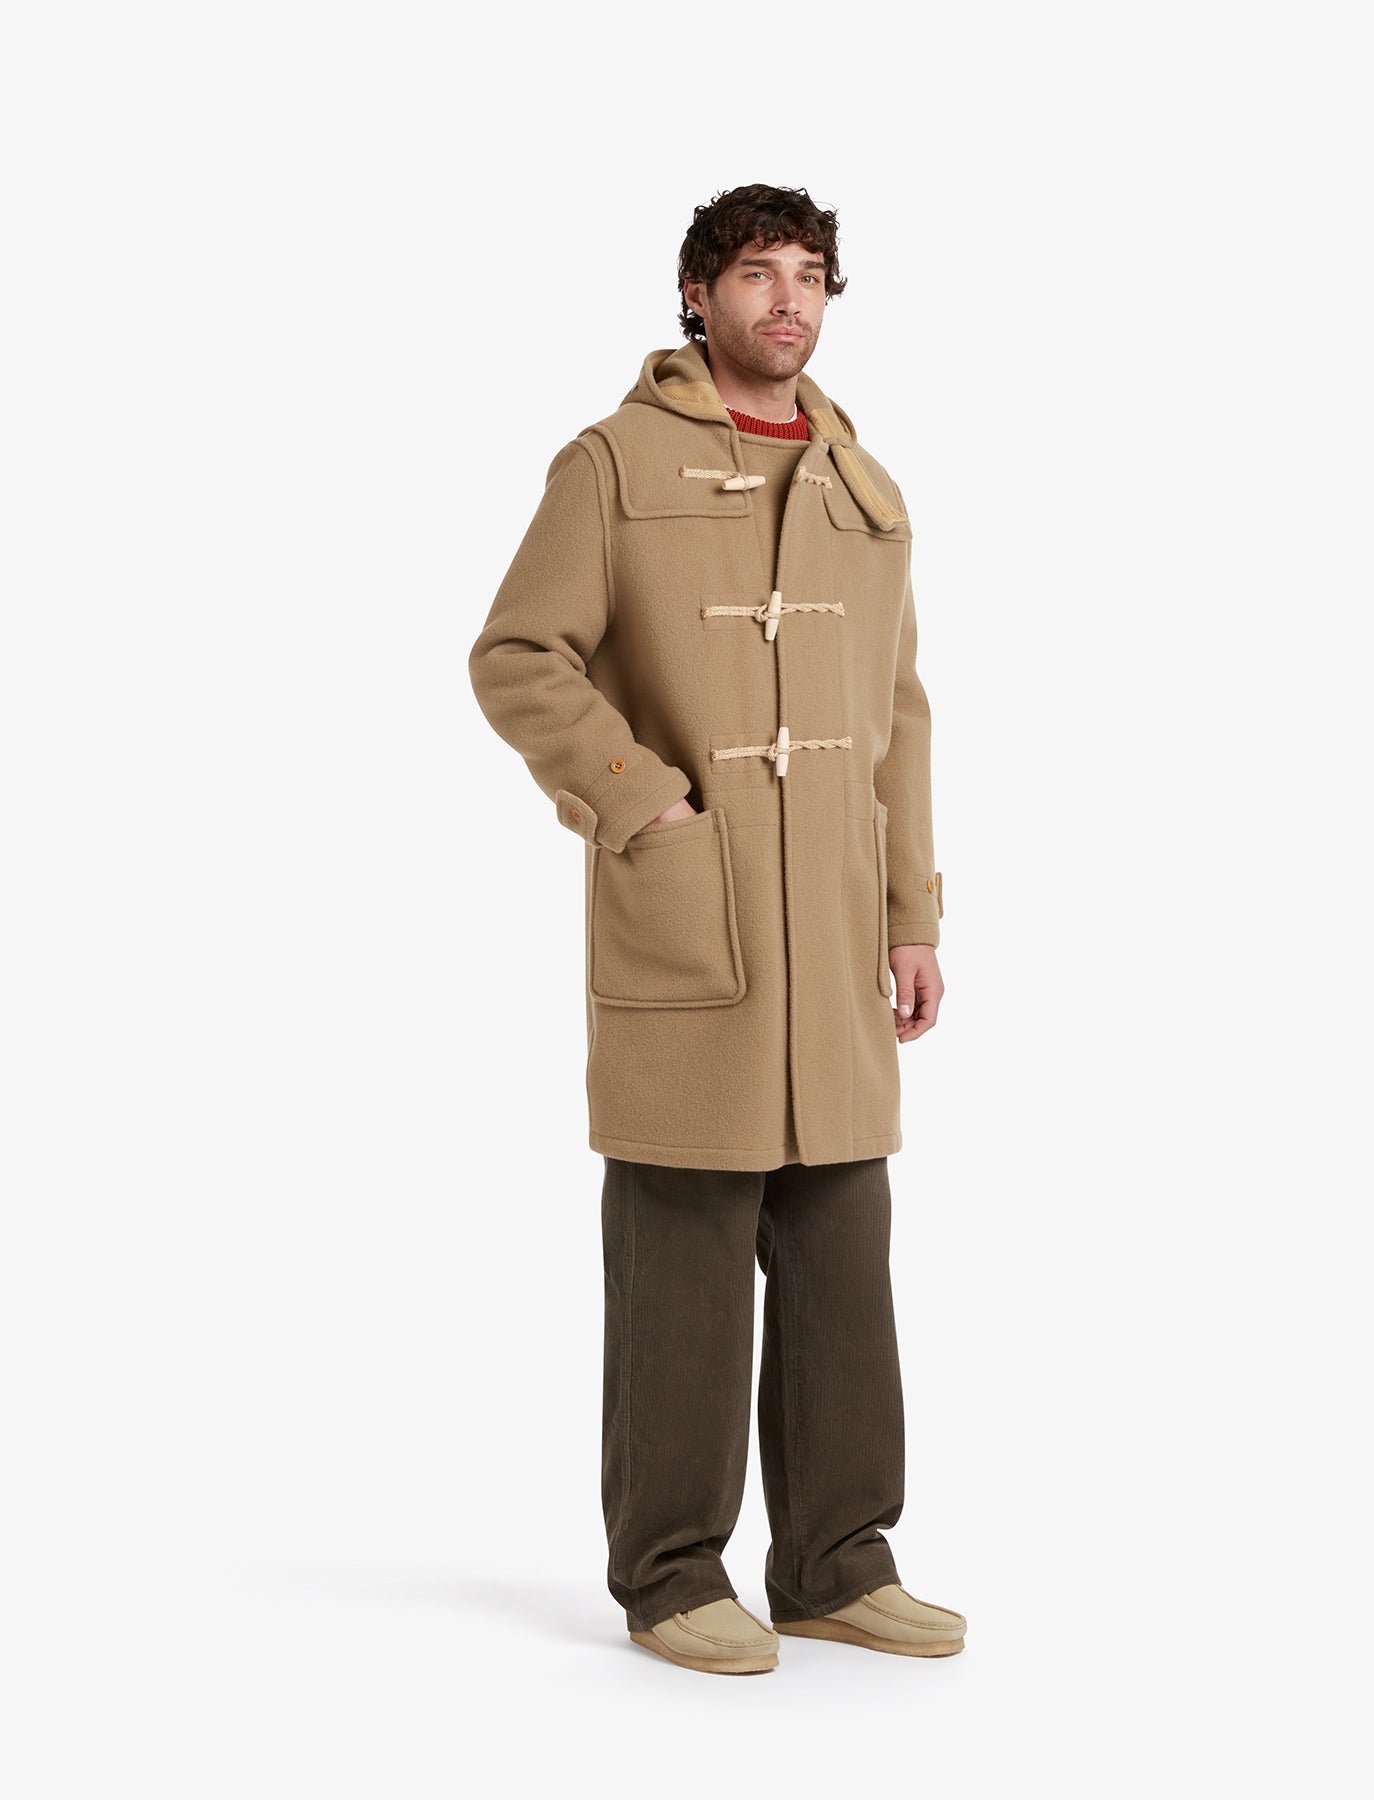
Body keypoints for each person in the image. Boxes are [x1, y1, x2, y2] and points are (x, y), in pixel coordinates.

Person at [468, 184, 966, 1674]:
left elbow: (898, 717)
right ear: (698, 293)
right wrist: (646, 803)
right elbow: (518, 654)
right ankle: (672, 1574)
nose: (787, 300)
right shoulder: (612, 465)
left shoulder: (863, 484)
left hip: (839, 931)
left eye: (810, 275)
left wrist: (913, 912)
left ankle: (835, 1561)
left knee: (842, 1259)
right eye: (757, 273)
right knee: (681, 1265)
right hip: (695, 920)